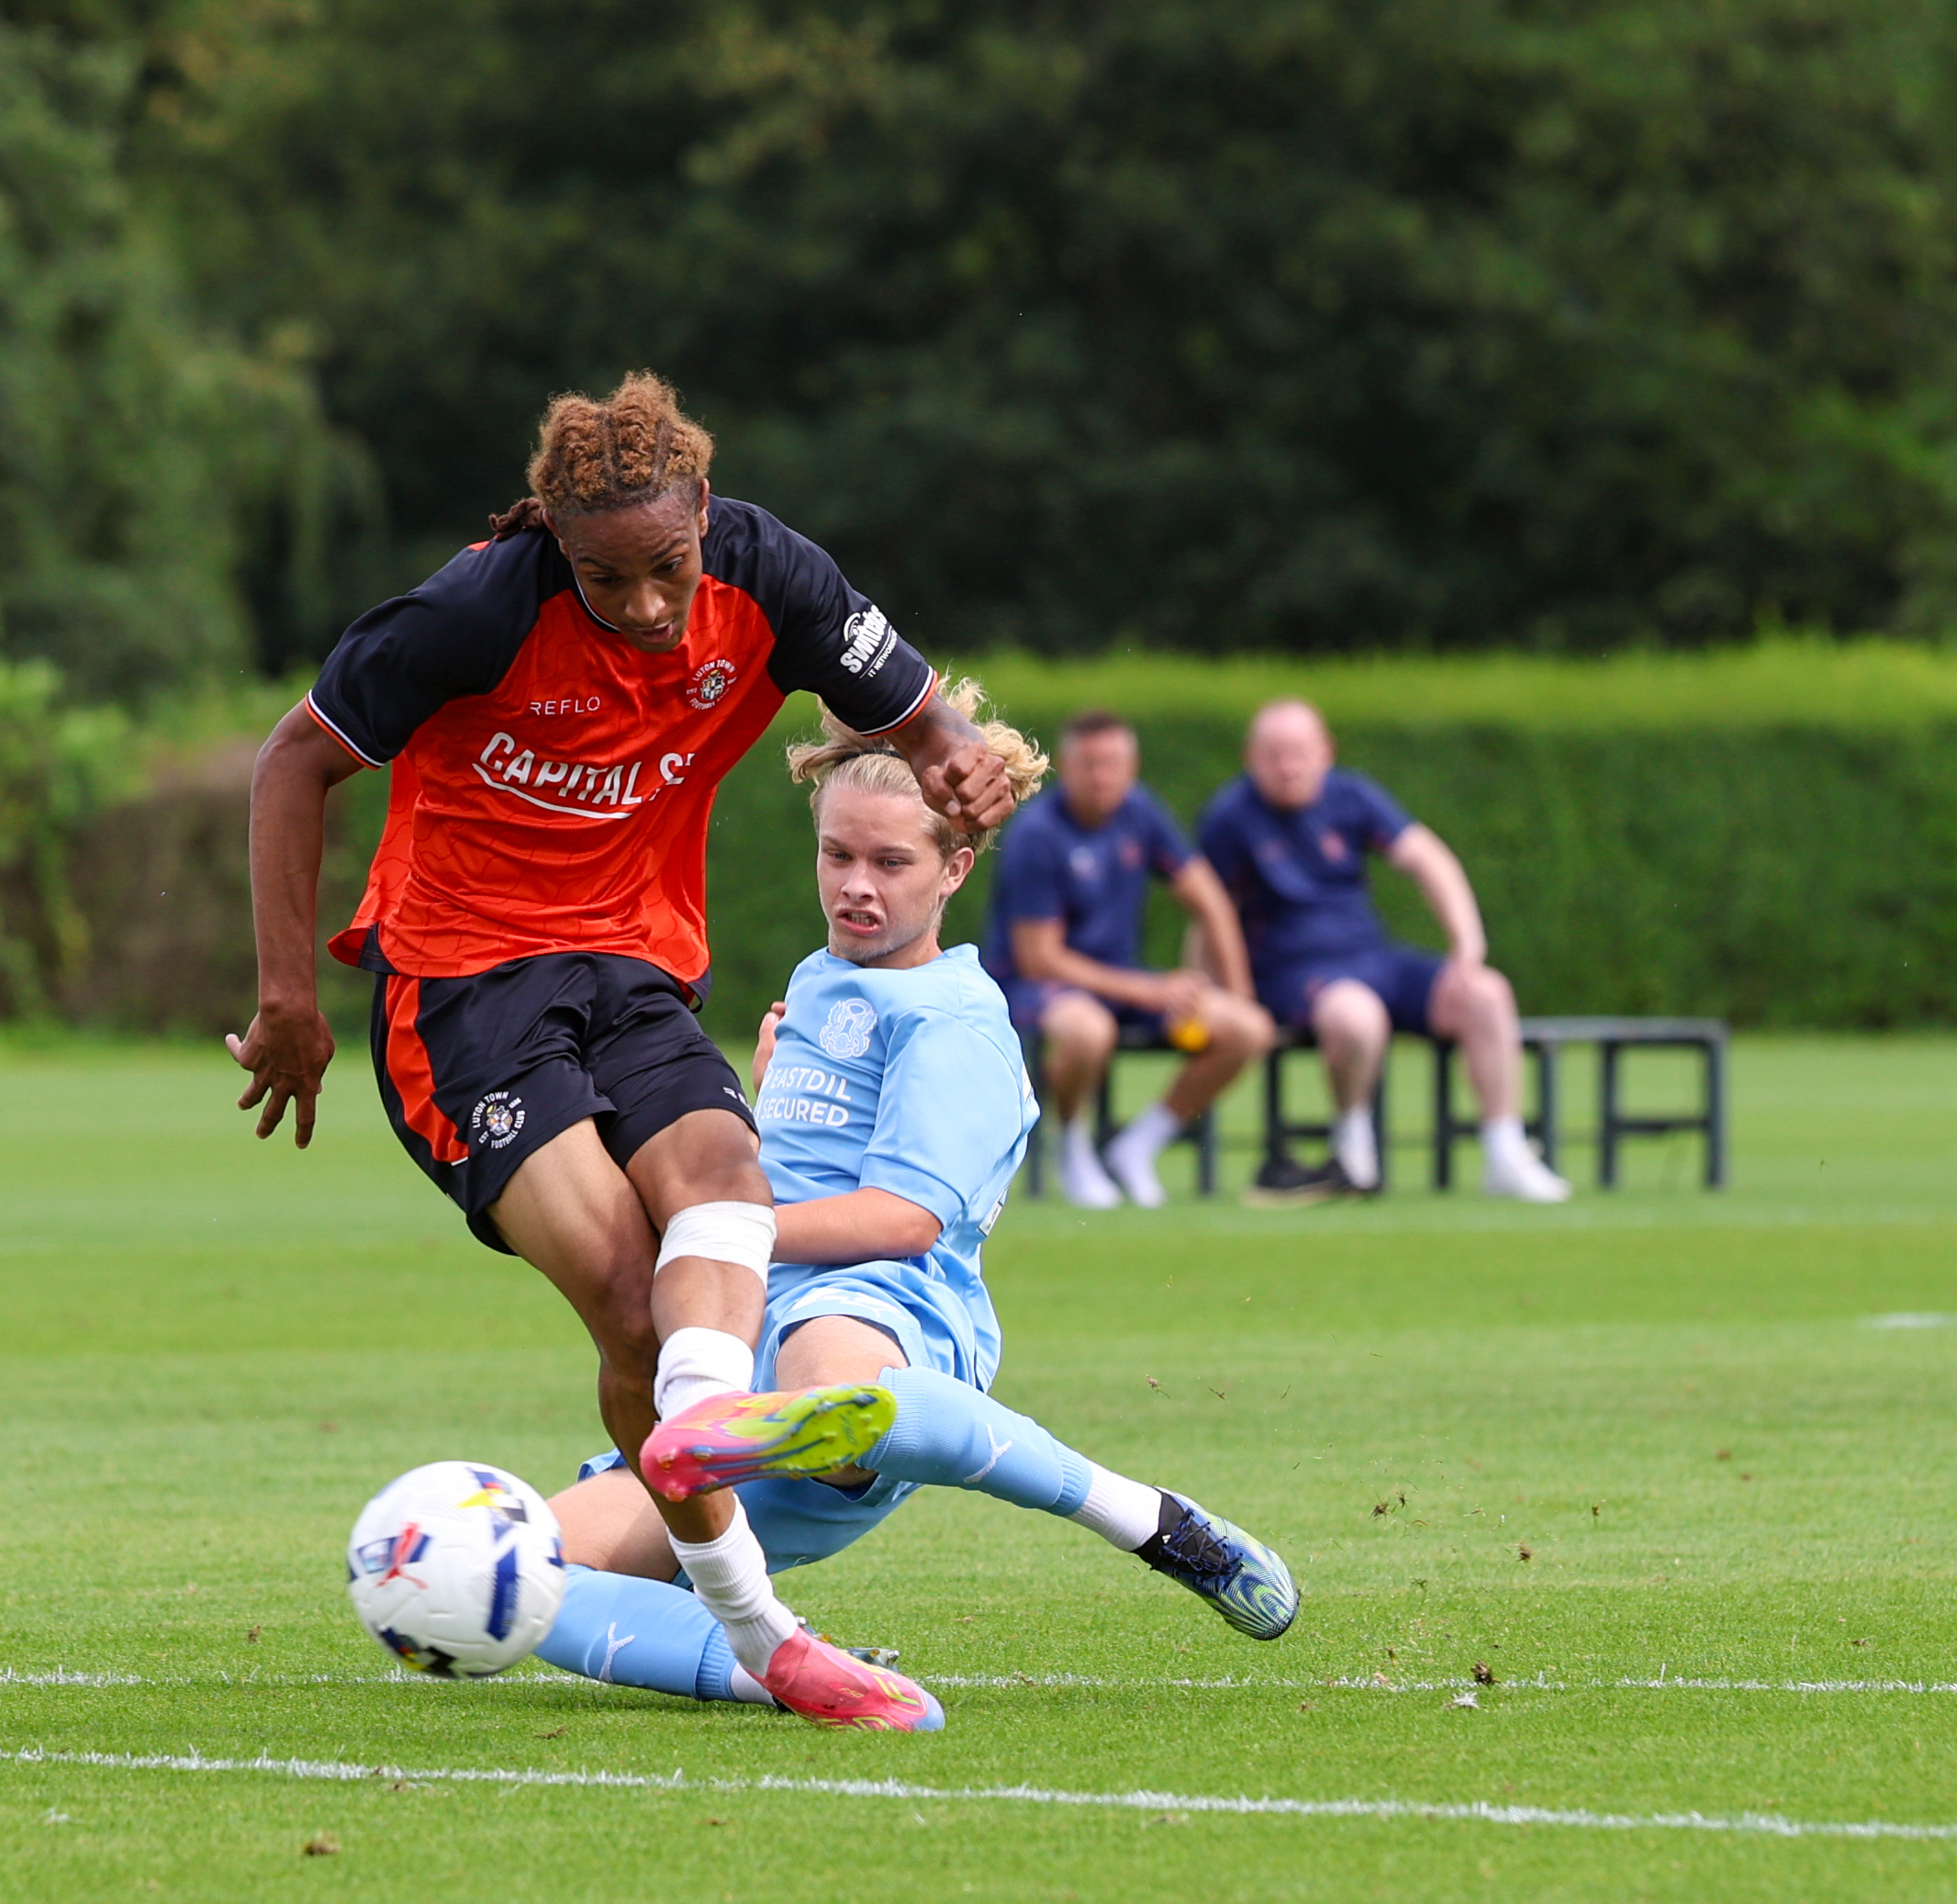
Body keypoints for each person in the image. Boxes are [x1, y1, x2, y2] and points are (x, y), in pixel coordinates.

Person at [230, 374, 1015, 1732]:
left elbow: (923, 724)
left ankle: (703, 1414)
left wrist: (960, 762)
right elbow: (292, 760)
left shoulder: (770, 577)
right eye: (607, 579)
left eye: (667, 568)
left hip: (634, 963)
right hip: (462, 986)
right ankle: (767, 1633)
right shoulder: (475, 608)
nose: (648, 605)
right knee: (622, 1289)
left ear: (704, 512)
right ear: (551, 537)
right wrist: (288, 997)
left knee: (725, 1177)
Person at [531, 693, 1299, 1713]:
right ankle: (796, 1676)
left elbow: (903, 1220)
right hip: (737, 1325)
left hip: (879, 1301)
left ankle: (1141, 1517)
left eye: (889, 864)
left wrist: (713, 1230)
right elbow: (787, 1167)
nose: (854, 887)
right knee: (522, 1574)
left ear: (954, 869)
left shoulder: (955, 1022)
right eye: (835, 856)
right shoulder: (814, 983)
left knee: (830, 1376)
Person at [1195, 698, 1571, 1203]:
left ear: (1325, 751)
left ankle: (1504, 1151)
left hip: (1374, 958)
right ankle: (1354, 1147)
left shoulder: (1351, 795)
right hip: (1293, 972)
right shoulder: (1229, 817)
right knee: (1357, 1015)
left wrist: (1467, 945)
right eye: (1274, 753)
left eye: (1299, 752)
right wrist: (1212, 988)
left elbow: (1427, 858)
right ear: (1250, 757)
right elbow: (1207, 913)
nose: (1288, 766)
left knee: (1487, 993)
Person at [984, 711, 1273, 1209]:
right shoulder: (1037, 833)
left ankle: (1138, 1146)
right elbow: (1040, 958)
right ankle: (1071, 1145)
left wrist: (1236, 991)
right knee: (1087, 1030)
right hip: (1035, 989)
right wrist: (1148, 989)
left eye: (1113, 763)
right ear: (1066, 768)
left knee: (1249, 1028)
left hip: (1121, 987)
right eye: (1090, 764)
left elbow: (1211, 900)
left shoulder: (1141, 813)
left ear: (1132, 765)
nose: (1102, 776)